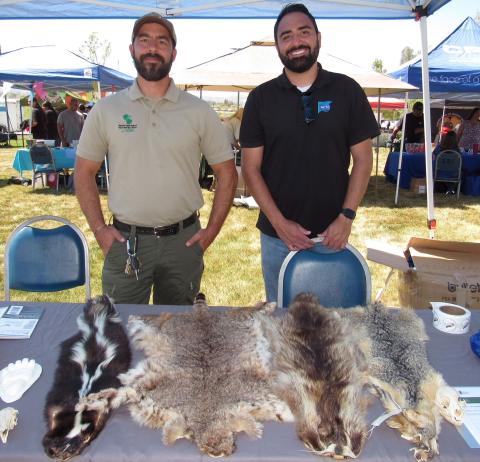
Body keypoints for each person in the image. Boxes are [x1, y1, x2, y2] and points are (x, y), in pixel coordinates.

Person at [74, 12, 237, 305]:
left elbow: (227, 172)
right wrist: (99, 229)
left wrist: (211, 231)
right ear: (132, 49)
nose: (152, 47)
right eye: (144, 40)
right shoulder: (106, 110)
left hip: (183, 242)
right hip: (125, 243)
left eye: (162, 41)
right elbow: (84, 172)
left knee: (178, 336)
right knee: (120, 334)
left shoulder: (198, 111)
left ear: (173, 52)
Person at [240, 3, 379, 302]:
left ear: (318, 37)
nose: (296, 42)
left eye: (304, 32)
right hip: (278, 238)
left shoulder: (348, 91)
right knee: (284, 325)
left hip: (334, 233)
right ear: (278, 46)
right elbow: (250, 169)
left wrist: (346, 217)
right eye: (286, 36)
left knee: (334, 325)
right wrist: (280, 224)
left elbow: (364, 159)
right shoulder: (260, 99)